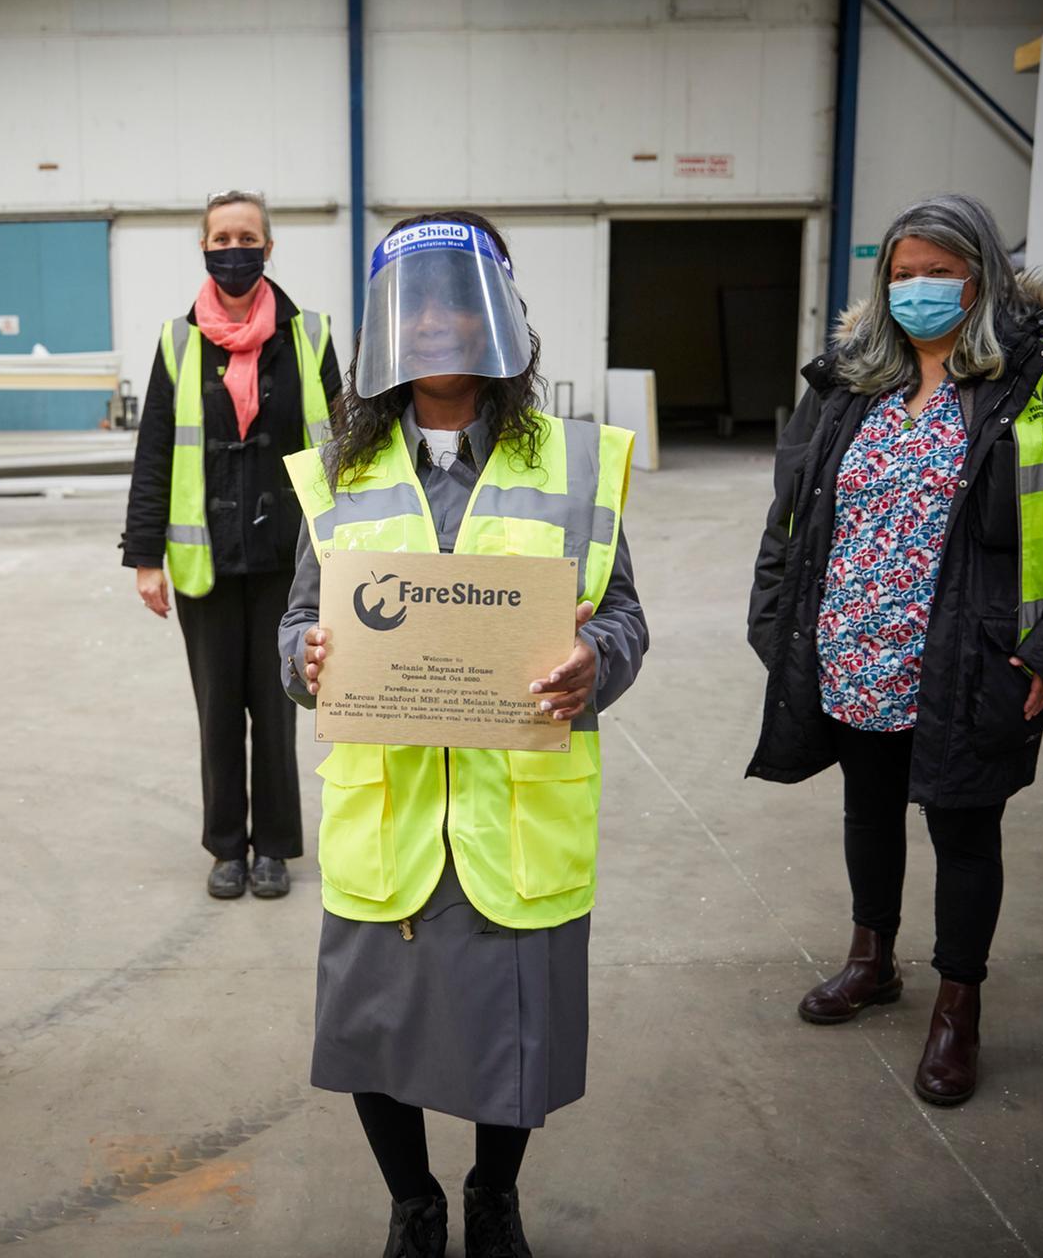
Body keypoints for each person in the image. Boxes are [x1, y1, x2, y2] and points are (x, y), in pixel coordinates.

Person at [279, 212, 648, 1258]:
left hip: (512, 818)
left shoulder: (574, 463)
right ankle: (414, 1201)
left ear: (499, 314)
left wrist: (596, 666)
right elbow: (298, 621)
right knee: (374, 1032)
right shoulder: (338, 472)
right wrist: (302, 657)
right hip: (389, 819)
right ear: (387, 323)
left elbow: (623, 615)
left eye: (457, 297)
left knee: (508, 1032)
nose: (437, 322)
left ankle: (492, 1191)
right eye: (416, 302)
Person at [746, 193, 1043, 1106]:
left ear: (983, 276)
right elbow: (790, 508)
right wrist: (777, 621)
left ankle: (959, 1005)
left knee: (964, 827)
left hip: (971, 653)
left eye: (940, 272)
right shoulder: (850, 380)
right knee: (869, 810)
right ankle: (871, 956)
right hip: (854, 644)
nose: (919, 288)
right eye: (903, 273)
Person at [121, 190, 342, 901]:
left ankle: (274, 845)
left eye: (247, 235)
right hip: (206, 563)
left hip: (288, 562)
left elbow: (344, 448)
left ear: (269, 247)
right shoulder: (179, 341)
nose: (234, 247)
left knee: (277, 705)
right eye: (221, 237)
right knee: (218, 708)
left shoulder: (308, 335)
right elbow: (156, 449)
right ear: (205, 248)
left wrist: (347, 546)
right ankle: (226, 846)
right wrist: (145, 556)